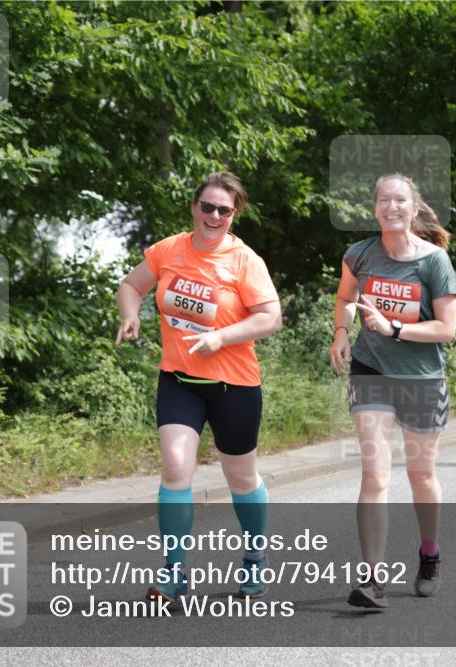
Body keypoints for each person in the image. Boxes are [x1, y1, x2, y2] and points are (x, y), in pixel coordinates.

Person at [115, 172, 282, 604]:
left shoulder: (245, 260)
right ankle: (173, 573)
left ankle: (255, 558)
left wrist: (221, 337)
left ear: (234, 215)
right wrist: (129, 315)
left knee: (241, 479)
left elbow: (270, 317)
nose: (214, 215)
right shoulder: (169, 249)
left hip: (234, 385)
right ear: (194, 207)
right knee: (175, 467)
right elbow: (132, 285)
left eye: (223, 210)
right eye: (206, 206)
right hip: (179, 380)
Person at [329, 174, 456, 609]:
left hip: (421, 378)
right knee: (375, 473)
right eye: (383, 199)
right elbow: (346, 297)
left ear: (414, 207)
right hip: (371, 370)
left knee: (420, 475)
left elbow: (448, 329)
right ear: (375, 208)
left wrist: (395, 328)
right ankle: (372, 578)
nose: (391, 206)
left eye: (400, 199)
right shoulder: (359, 254)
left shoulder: (434, 261)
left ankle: (429, 554)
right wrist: (341, 332)